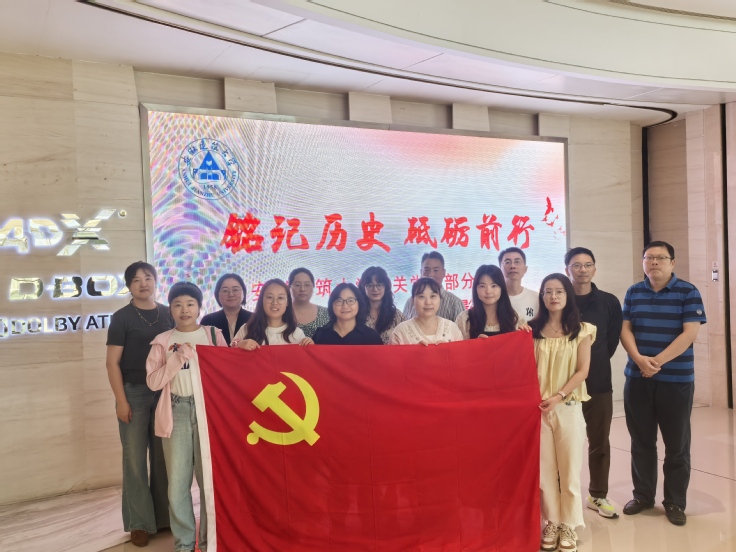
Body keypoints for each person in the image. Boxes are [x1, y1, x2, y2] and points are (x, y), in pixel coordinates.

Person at [620, 241, 706, 526]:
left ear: (672, 263)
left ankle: (675, 502)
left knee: (677, 445)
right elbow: (625, 329)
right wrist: (639, 360)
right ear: (643, 262)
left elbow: (689, 334)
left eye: (660, 257)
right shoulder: (633, 291)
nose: (654, 262)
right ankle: (643, 496)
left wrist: (655, 362)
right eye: (649, 257)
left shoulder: (688, 292)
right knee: (641, 441)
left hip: (676, 381)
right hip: (637, 379)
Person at [145, 282, 228, 552]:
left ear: (200, 307)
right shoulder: (163, 341)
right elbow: (153, 382)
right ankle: (184, 544)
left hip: (209, 413)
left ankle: (207, 542)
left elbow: (228, 374)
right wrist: (176, 358)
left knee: (208, 483)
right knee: (178, 485)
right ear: (170, 309)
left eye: (190, 304)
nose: (184, 310)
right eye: (178, 304)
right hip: (177, 409)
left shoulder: (213, 335)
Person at [106, 261, 172, 548]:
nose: (143, 283)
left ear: (156, 281)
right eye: (136, 280)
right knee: (134, 460)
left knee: (162, 458)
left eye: (148, 278)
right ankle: (139, 524)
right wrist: (121, 401)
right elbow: (112, 363)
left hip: (164, 393)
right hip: (133, 393)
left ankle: (163, 518)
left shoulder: (169, 313)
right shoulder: (121, 318)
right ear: (128, 286)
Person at [530, 273, 595, 552]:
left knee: (569, 471)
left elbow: (583, 370)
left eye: (559, 291)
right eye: (548, 291)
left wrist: (558, 396)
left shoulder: (582, 330)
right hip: (537, 411)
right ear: (542, 296)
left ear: (568, 295)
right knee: (544, 473)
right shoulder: (531, 330)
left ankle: (569, 524)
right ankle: (552, 522)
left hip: (567, 407)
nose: (553, 296)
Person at [564, 247, 623, 519]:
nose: (583, 270)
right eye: (576, 265)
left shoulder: (609, 302)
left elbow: (610, 342)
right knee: (564, 443)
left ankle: (598, 495)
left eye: (588, 265)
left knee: (599, 441)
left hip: (598, 382)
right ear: (567, 270)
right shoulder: (559, 299)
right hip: (563, 385)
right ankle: (563, 497)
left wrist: (589, 365)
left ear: (595, 269)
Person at [231, 279, 313, 349]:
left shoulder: (297, 334)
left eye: (280, 298)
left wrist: (311, 347)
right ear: (262, 300)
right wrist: (239, 344)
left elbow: (304, 360)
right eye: (269, 297)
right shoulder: (247, 329)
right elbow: (230, 353)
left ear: (287, 302)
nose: (275, 303)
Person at [391, 277, 464, 345]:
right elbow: (392, 354)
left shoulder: (452, 329)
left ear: (440, 299)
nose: (428, 302)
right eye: (421, 297)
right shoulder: (400, 332)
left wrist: (447, 350)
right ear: (413, 300)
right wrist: (413, 351)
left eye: (433, 296)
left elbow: (461, 354)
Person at [455, 264, 519, 339]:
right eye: (482, 286)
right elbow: (457, 345)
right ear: (475, 289)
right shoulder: (464, 319)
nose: (488, 291)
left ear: (502, 288)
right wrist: (476, 344)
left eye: (494, 286)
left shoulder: (514, 318)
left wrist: (524, 333)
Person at [401, 251, 465, 322]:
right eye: (426, 270)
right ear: (421, 272)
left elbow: (461, 328)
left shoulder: (455, 303)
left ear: (444, 273)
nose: (431, 275)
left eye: (436, 270)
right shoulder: (410, 302)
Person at [313, 283, 383, 345]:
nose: (345, 306)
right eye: (339, 301)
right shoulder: (320, 334)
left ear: (359, 304)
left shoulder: (371, 336)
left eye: (350, 301)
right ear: (331, 305)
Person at [200, 273, 252, 345]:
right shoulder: (208, 320)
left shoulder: (255, 319)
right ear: (217, 294)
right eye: (225, 291)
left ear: (244, 292)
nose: (231, 294)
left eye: (235, 290)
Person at [358, 266, 404, 344]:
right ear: (363, 288)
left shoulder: (397, 316)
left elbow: (407, 339)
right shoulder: (357, 314)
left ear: (386, 287)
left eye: (379, 285)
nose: (375, 289)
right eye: (370, 285)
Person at [499, 247, 539, 322]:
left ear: (525, 269)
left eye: (517, 262)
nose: (513, 266)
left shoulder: (536, 297)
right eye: (507, 262)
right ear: (500, 269)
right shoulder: (494, 298)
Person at [288, 267, 330, 338]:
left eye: (307, 285)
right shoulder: (282, 312)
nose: (302, 289)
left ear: (313, 287)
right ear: (289, 287)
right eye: (297, 285)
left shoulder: (326, 313)